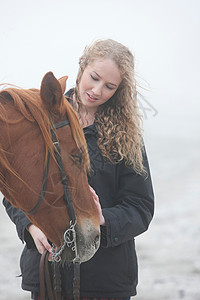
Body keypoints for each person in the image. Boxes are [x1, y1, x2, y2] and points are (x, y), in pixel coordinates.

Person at [3, 38, 154, 299]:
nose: (97, 90)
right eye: (94, 77)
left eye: (109, 86)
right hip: (46, 276)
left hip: (105, 280)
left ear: (118, 90)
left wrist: (102, 217)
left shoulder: (126, 136)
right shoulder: (42, 119)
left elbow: (141, 207)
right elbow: (15, 187)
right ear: (82, 67)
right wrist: (31, 226)